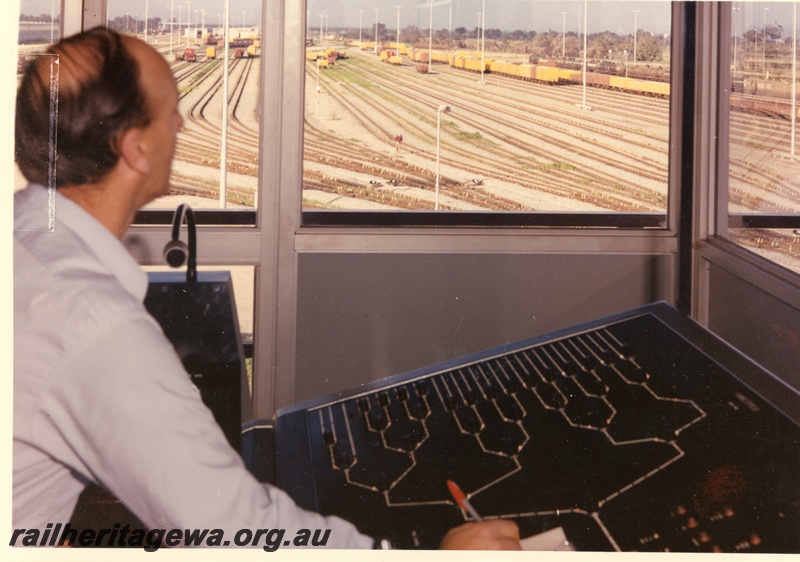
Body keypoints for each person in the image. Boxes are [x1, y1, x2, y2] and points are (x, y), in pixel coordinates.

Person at [13, 27, 522, 551]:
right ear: (135, 148)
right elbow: (227, 529)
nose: (182, 123)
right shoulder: (95, 324)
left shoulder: (24, 245)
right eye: (170, 110)